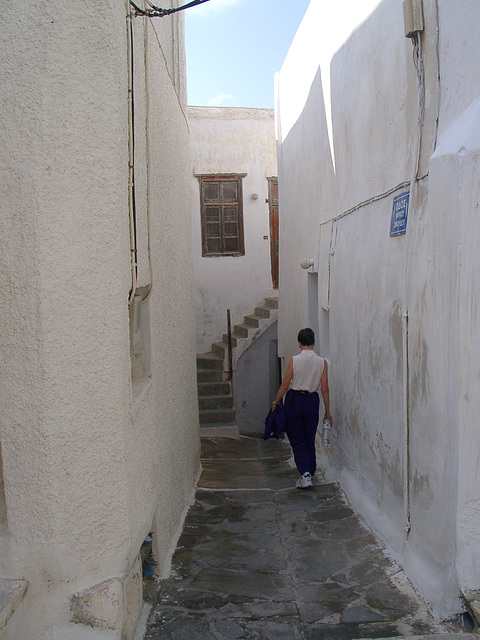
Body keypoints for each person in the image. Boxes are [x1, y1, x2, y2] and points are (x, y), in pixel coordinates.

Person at [272, 328, 332, 489]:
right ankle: (310, 472)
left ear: (299, 343)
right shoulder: (322, 362)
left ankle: (304, 473)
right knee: (309, 437)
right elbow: (324, 388)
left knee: (297, 437)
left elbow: (285, 384)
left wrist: (276, 401)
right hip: (312, 400)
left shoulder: (294, 360)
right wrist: (327, 410)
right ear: (314, 342)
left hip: (295, 399)